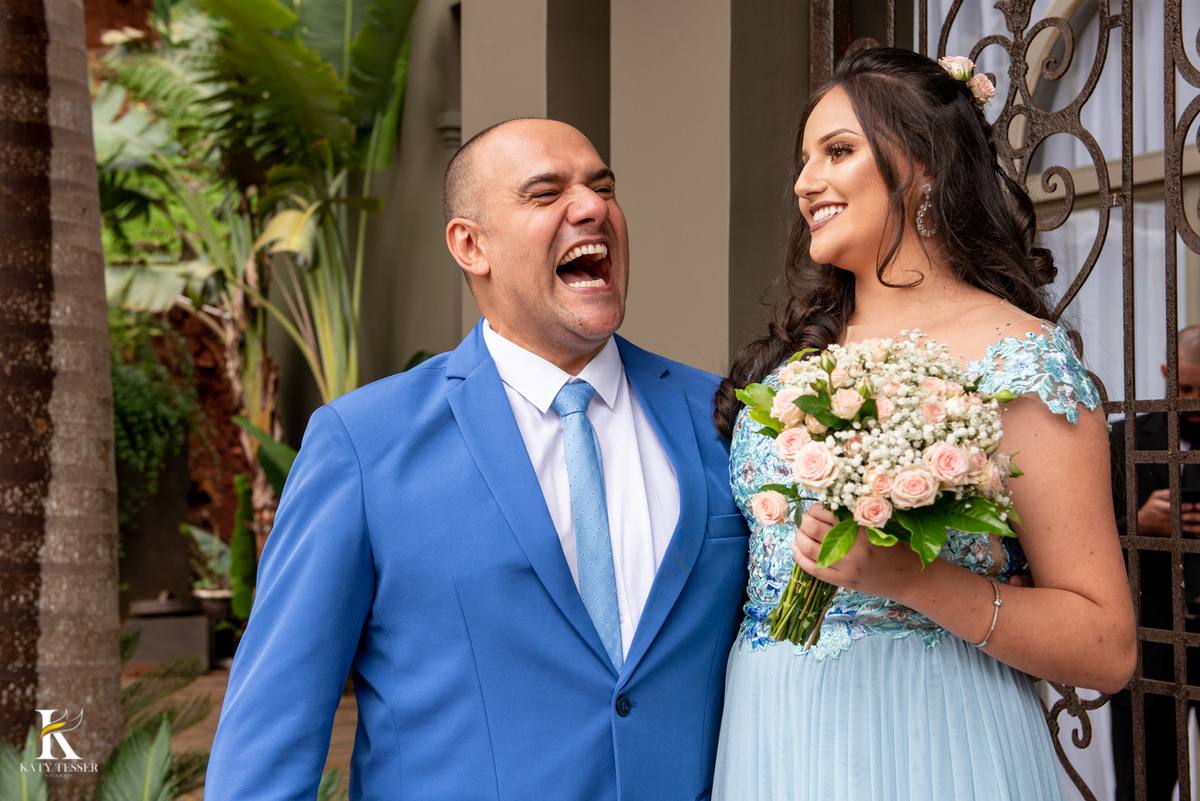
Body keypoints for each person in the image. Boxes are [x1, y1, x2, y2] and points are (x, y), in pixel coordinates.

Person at [204, 118, 750, 800]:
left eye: (602, 186)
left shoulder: (725, 420)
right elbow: (270, 737)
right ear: (471, 244)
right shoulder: (362, 444)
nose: (592, 207)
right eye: (546, 192)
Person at [709, 48, 1136, 800]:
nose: (806, 183)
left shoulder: (1019, 361)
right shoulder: (795, 360)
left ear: (927, 162)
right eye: (803, 160)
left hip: (933, 735)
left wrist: (914, 578)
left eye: (837, 152)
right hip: (774, 731)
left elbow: (1106, 644)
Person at [1109, 327, 1200, 801]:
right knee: (1141, 787)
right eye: (1184, 390)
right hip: (1149, 640)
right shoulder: (1122, 439)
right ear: (1165, 375)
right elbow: (1079, 542)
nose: (1195, 402)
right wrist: (1136, 525)